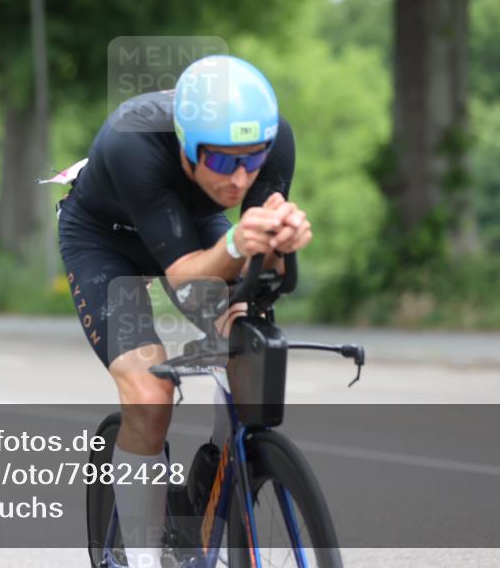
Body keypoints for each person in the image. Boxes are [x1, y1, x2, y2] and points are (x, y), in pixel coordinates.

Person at [57, 55, 312, 567]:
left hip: (192, 229)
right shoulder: (132, 140)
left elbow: (271, 273)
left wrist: (281, 246)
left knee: (247, 349)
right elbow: (186, 277)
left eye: (252, 160)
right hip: (106, 243)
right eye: (220, 161)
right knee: (150, 394)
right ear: (184, 145)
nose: (239, 179)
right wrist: (239, 244)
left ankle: (215, 483)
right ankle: (143, 559)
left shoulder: (275, 139)